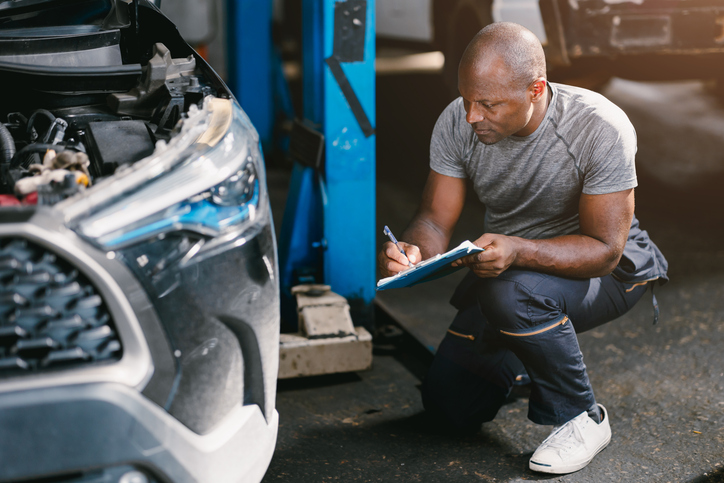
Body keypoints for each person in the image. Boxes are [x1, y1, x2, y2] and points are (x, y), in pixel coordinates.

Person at [377, 22, 668, 475]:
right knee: (449, 408)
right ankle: (531, 356)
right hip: (514, 274)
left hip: (607, 272)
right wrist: (413, 250)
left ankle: (582, 416)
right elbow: (434, 218)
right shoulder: (459, 119)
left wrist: (516, 250)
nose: (472, 116)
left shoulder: (599, 126)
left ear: (536, 89)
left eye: (488, 104)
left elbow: (604, 250)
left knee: (510, 295)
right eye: (467, 99)